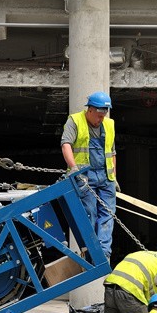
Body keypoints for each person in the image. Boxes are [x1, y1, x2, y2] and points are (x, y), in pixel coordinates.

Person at [61, 91, 118, 260]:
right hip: (85, 176)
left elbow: (112, 152)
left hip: (105, 176)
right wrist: (74, 169)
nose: (101, 119)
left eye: (104, 115)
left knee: (108, 213)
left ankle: (104, 252)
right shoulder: (75, 121)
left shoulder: (109, 125)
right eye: (99, 115)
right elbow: (66, 145)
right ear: (90, 110)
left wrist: (114, 176)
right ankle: (92, 251)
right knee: (90, 212)